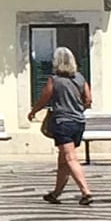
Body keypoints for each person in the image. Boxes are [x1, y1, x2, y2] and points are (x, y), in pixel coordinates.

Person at [29, 45, 93, 205]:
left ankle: (86, 192)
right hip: (79, 122)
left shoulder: (54, 79)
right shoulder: (80, 78)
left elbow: (45, 97)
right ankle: (56, 193)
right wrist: (78, 108)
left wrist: (34, 111)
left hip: (62, 122)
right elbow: (88, 99)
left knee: (70, 158)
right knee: (63, 160)